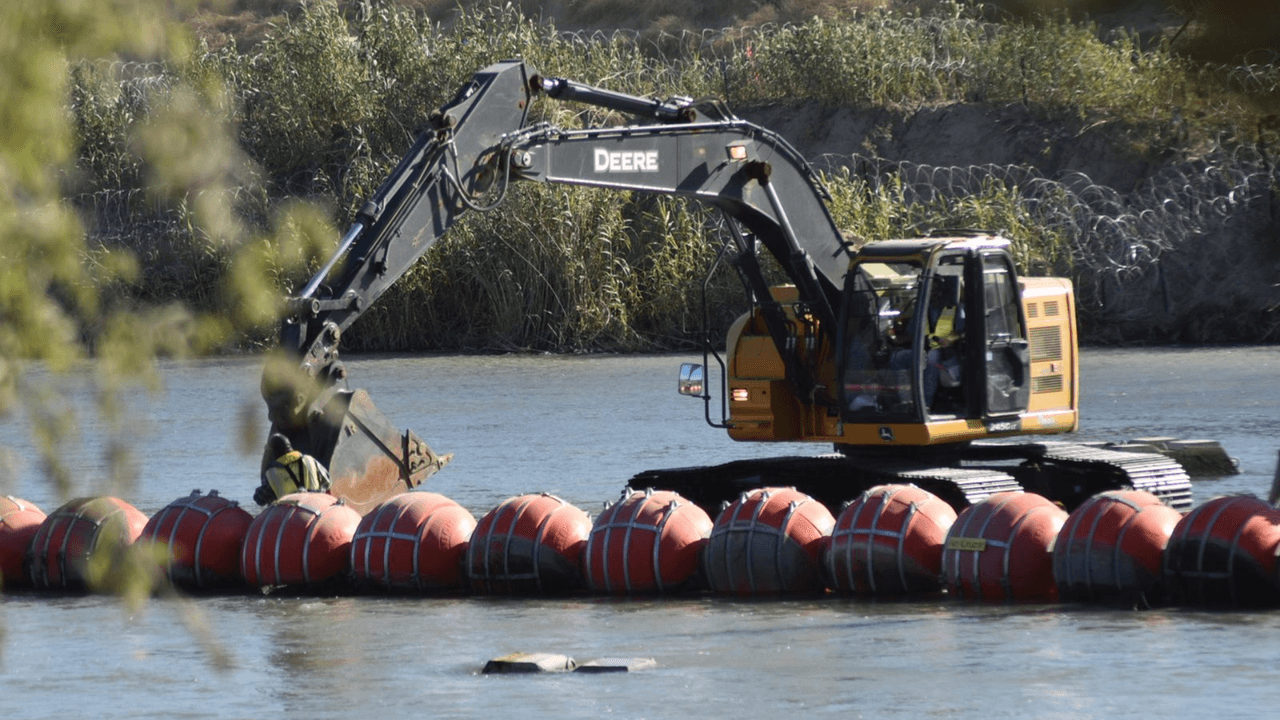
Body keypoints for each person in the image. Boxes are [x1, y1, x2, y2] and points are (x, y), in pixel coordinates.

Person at [254, 433, 331, 506]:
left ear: (273, 453)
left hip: (290, 513)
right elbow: (328, 481)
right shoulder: (310, 460)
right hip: (317, 506)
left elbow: (259, 500)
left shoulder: (271, 473)